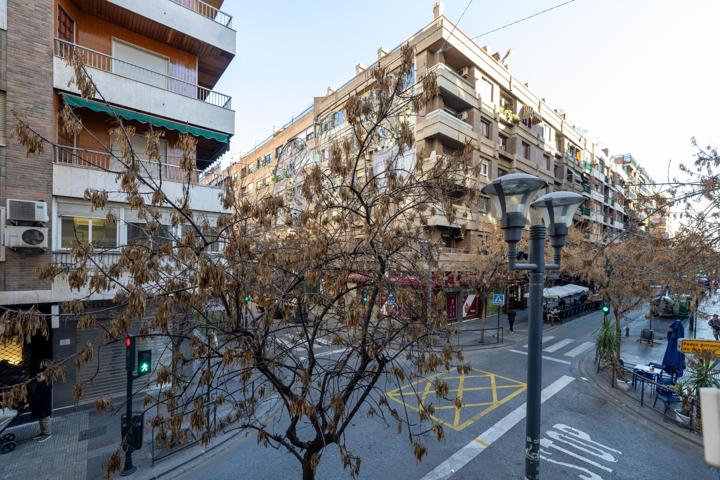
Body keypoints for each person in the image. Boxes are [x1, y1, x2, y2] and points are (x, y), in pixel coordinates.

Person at [28, 372, 53, 441]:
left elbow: (38, 395)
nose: (37, 378)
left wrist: (30, 402)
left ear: (45, 377)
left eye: (39, 376)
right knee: (41, 419)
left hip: (44, 406)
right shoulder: (40, 384)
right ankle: (43, 432)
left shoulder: (46, 384)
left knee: (45, 420)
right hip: (40, 406)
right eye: (37, 376)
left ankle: (48, 433)